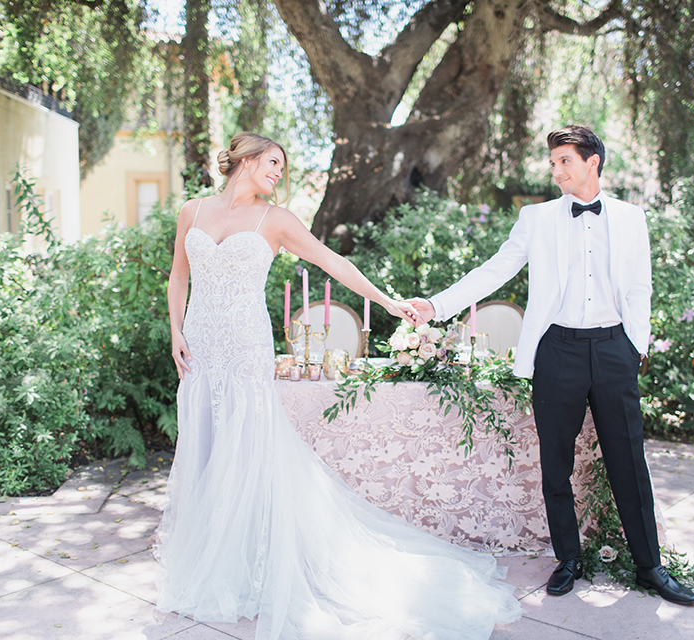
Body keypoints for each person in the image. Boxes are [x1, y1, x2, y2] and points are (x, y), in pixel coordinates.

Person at [156, 132, 522, 638]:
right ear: (244, 159)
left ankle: (250, 560)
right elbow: (179, 275)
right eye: (272, 162)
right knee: (204, 441)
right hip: (199, 346)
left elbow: (334, 263)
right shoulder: (192, 211)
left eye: (282, 167)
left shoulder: (275, 220)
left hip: (244, 348)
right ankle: (207, 553)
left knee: (246, 445)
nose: (277, 172)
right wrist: (175, 329)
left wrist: (389, 302)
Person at [408, 125, 694, 605]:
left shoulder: (631, 218)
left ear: (593, 162)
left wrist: (634, 348)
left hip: (613, 350)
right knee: (555, 463)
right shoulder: (536, 218)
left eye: (565, 160)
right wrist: (436, 306)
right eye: (553, 162)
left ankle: (650, 567)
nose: (556, 170)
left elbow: (640, 288)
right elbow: (495, 269)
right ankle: (569, 559)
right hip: (557, 352)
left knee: (629, 460)